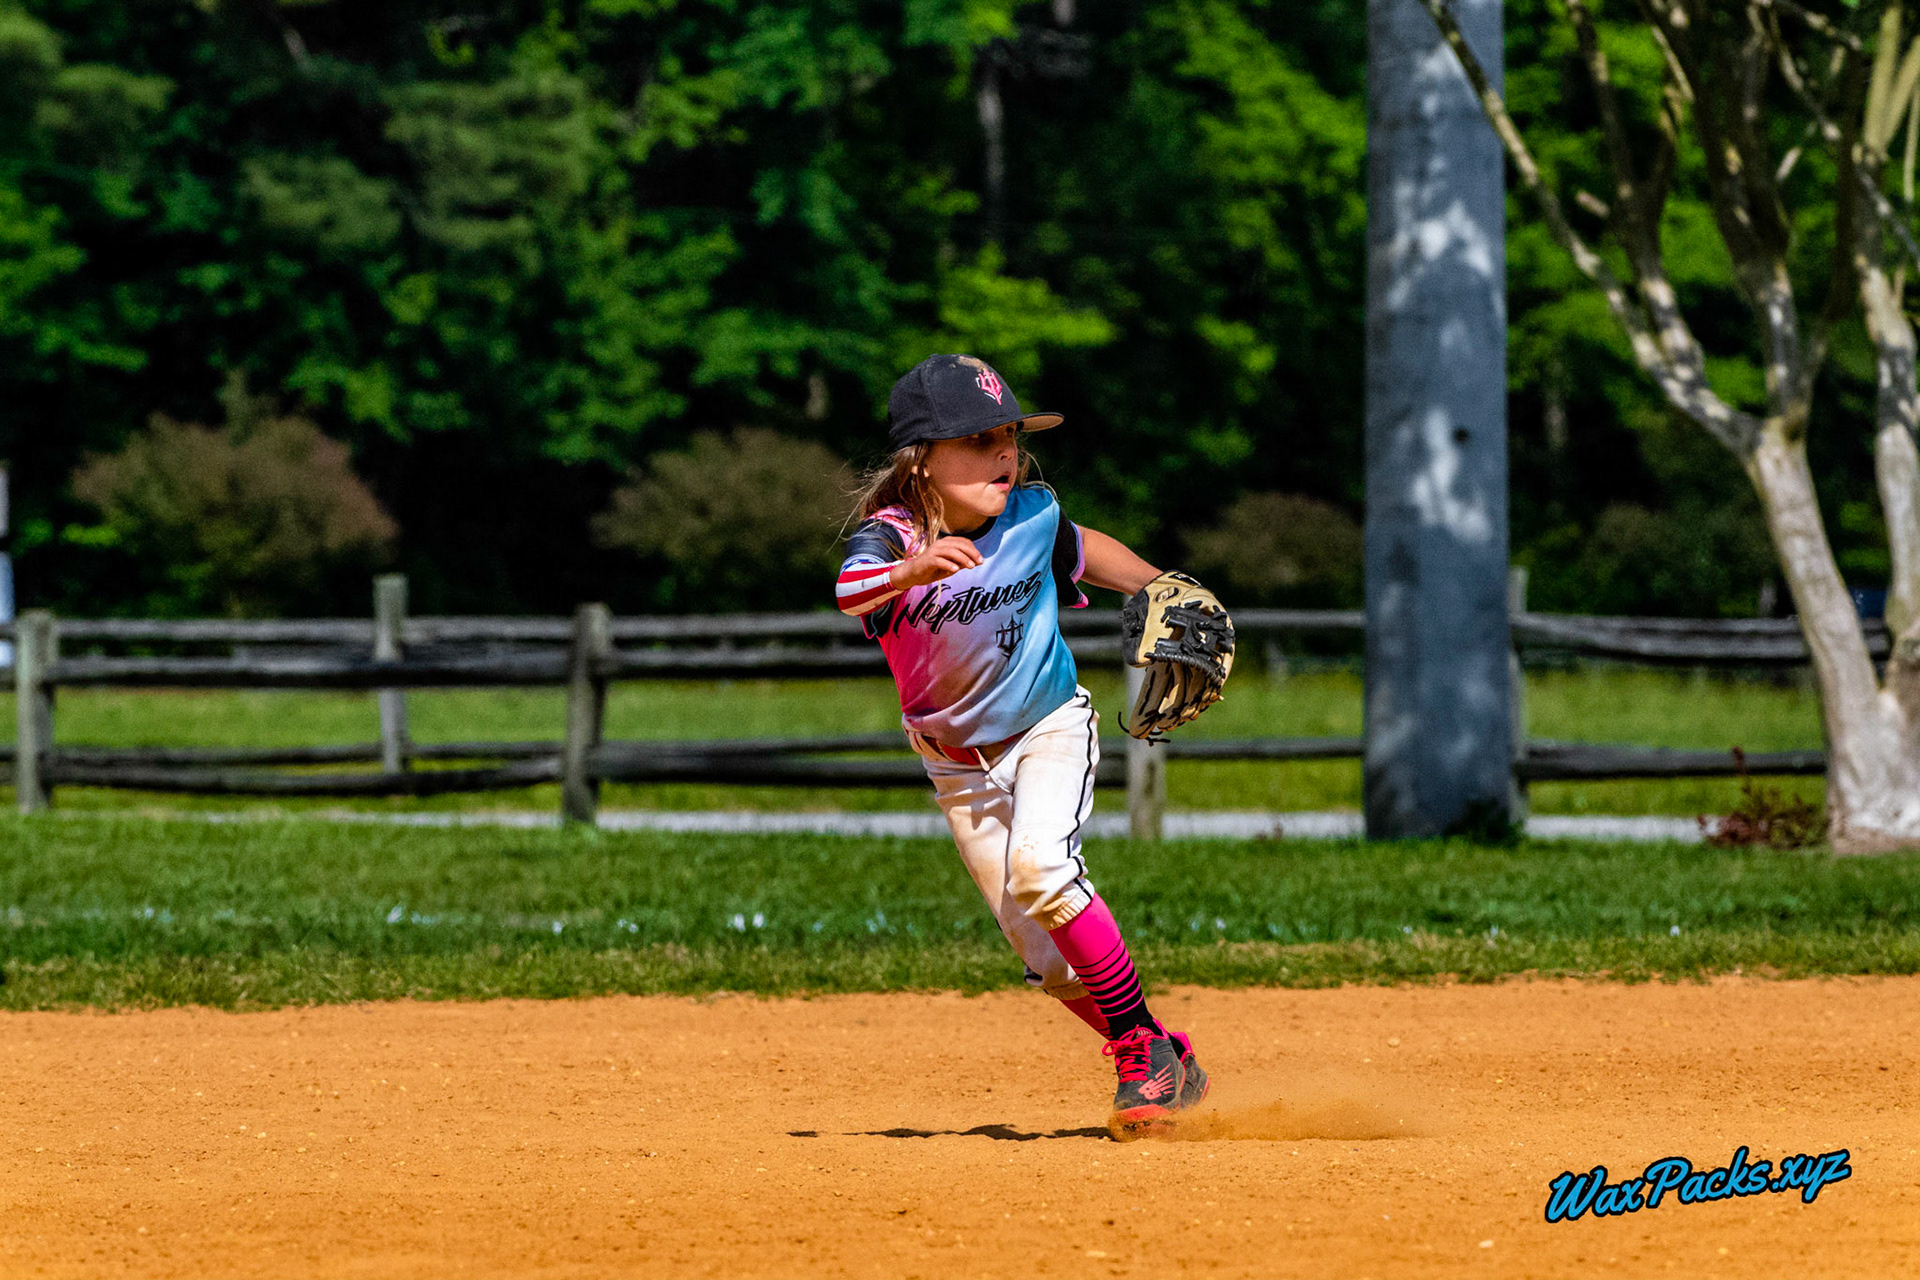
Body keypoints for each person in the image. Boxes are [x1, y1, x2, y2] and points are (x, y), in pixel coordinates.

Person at [835, 352, 1209, 1137]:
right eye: (977, 440)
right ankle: (1162, 1054)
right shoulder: (889, 537)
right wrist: (910, 571)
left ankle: (1138, 1049)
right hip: (955, 766)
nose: (1002, 453)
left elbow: (1081, 550)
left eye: (1008, 435)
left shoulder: (1031, 516)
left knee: (1043, 869)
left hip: (1045, 727)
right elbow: (847, 593)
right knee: (1045, 959)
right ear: (920, 461)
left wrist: (1161, 586)